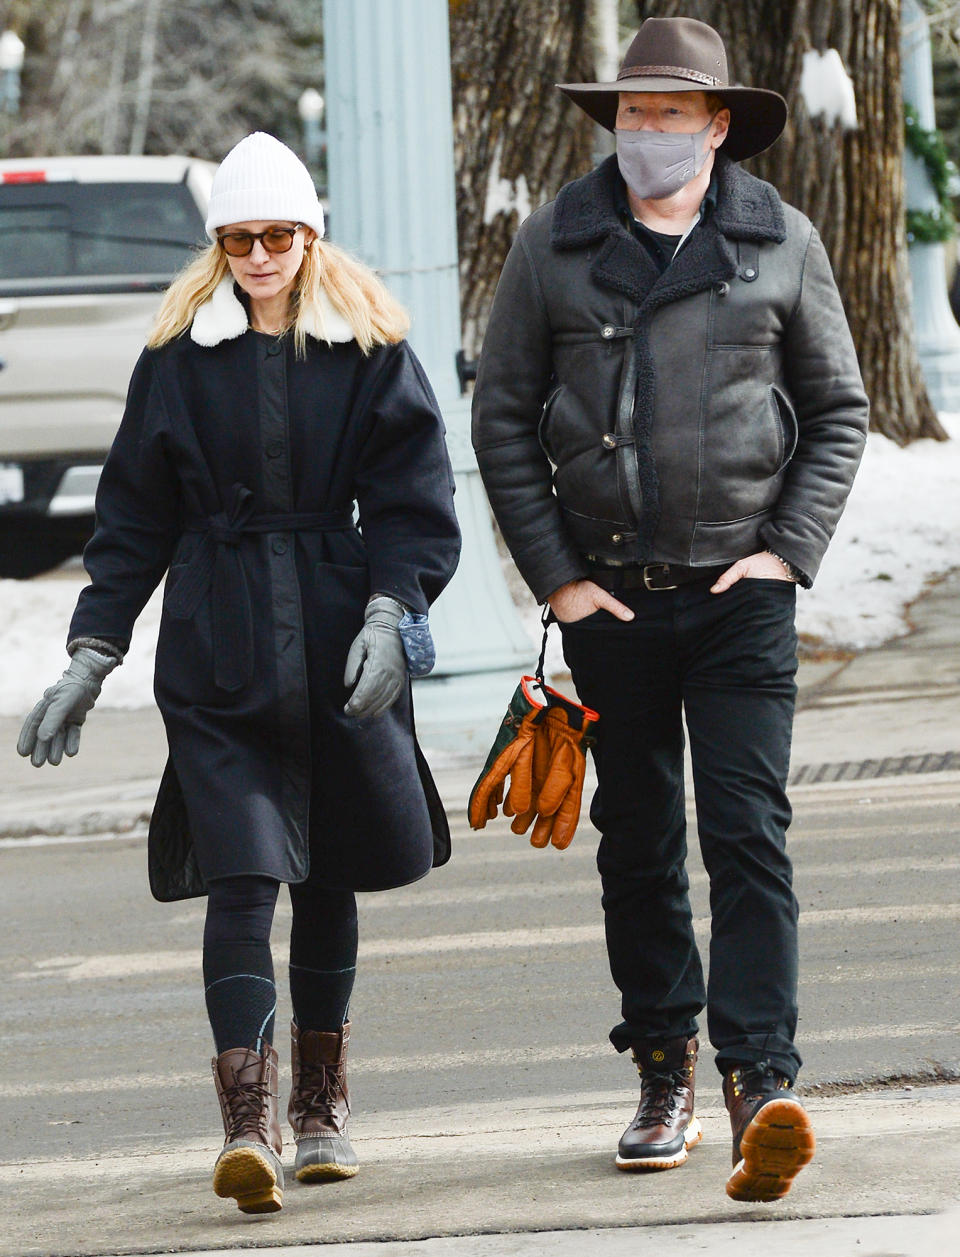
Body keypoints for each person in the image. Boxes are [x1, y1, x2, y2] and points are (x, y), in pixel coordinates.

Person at [17, 131, 460, 1215]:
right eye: (240, 239)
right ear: (218, 247)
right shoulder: (178, 358)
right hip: (215, 648)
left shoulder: (367, 348)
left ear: (311, 238)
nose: (260, 255)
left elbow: (415, 498)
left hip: (332, 632)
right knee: (243, 876)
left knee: (330, 873)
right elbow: (131, 518)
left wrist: (393, 613)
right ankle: (247, 1124)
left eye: (278, 236)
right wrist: (92, 647)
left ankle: (320, 1108)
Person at [471, 17, 868, 1203]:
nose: (649, 131)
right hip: (612, 605)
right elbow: (501, 418)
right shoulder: (557, 244)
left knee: (747, 834)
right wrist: (557, 578)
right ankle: (663, 1070)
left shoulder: (780, 242)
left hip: (740, 598)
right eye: (632, 113)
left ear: (719, 125)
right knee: (638, 847)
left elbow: (838, 411)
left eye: (672, 113)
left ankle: (762, 1080)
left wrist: (788, 554)